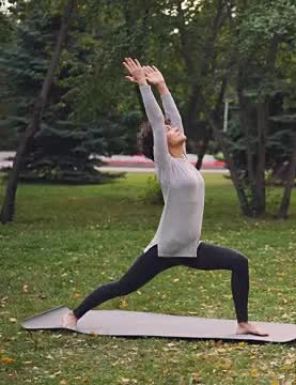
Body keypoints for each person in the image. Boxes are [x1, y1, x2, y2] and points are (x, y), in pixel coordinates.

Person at [61, 58, 267, 337]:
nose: (175, 129)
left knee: (239, 262)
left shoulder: (183, 159)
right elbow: (159, 122)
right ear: (160, 142)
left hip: (192, 247)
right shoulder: (167, 166)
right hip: (165, 249)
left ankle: (243, 323)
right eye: (170, 130)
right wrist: (144, 86)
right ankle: (74, 314)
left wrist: (164, 86)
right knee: (123, 286)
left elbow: (172, 119)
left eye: (174, 127)